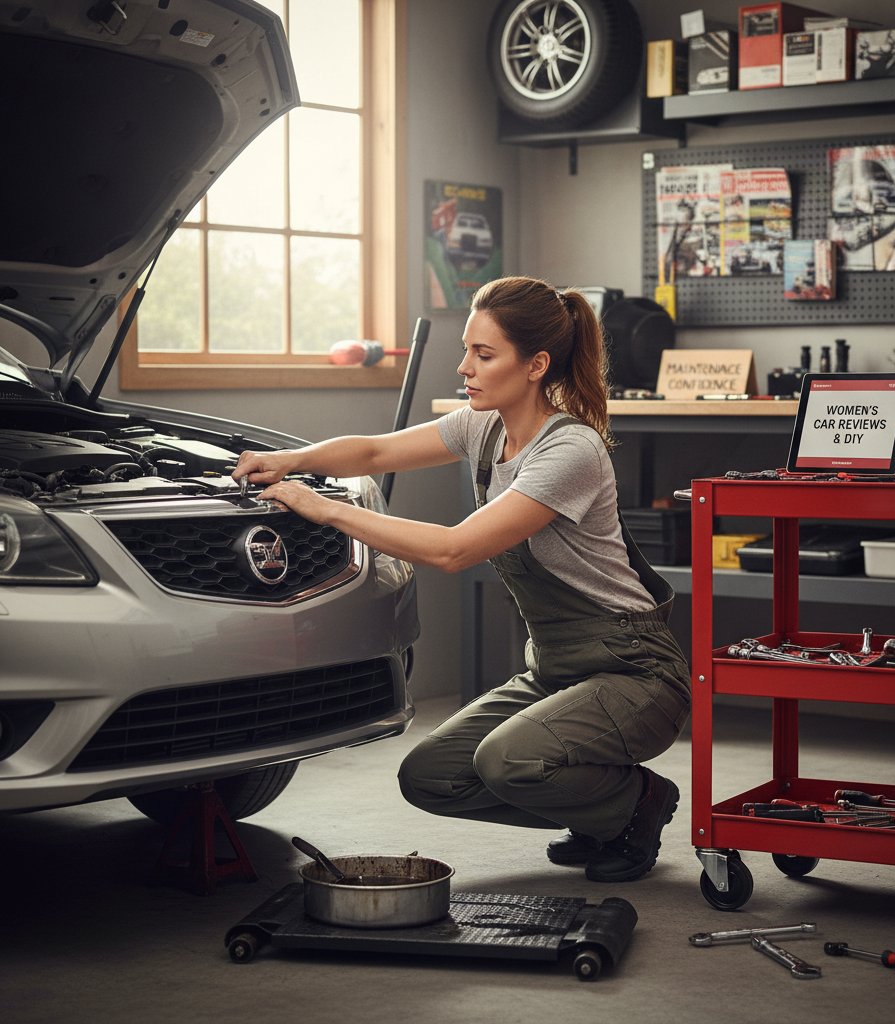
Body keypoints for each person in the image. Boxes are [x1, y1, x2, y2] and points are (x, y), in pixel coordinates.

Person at [233, 275, 692, 882]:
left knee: (509, 760)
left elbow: (454, 551)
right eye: (466, 351)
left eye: (483, 354)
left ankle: (636, 804)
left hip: (636, 673)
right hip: (558, 671)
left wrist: (327, 509)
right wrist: (291, 460)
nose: (465, 368)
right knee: (431, 777)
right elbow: (374, 453)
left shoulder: (570, 452)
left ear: (537, 365)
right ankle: (602, 813)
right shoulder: (486, 428)